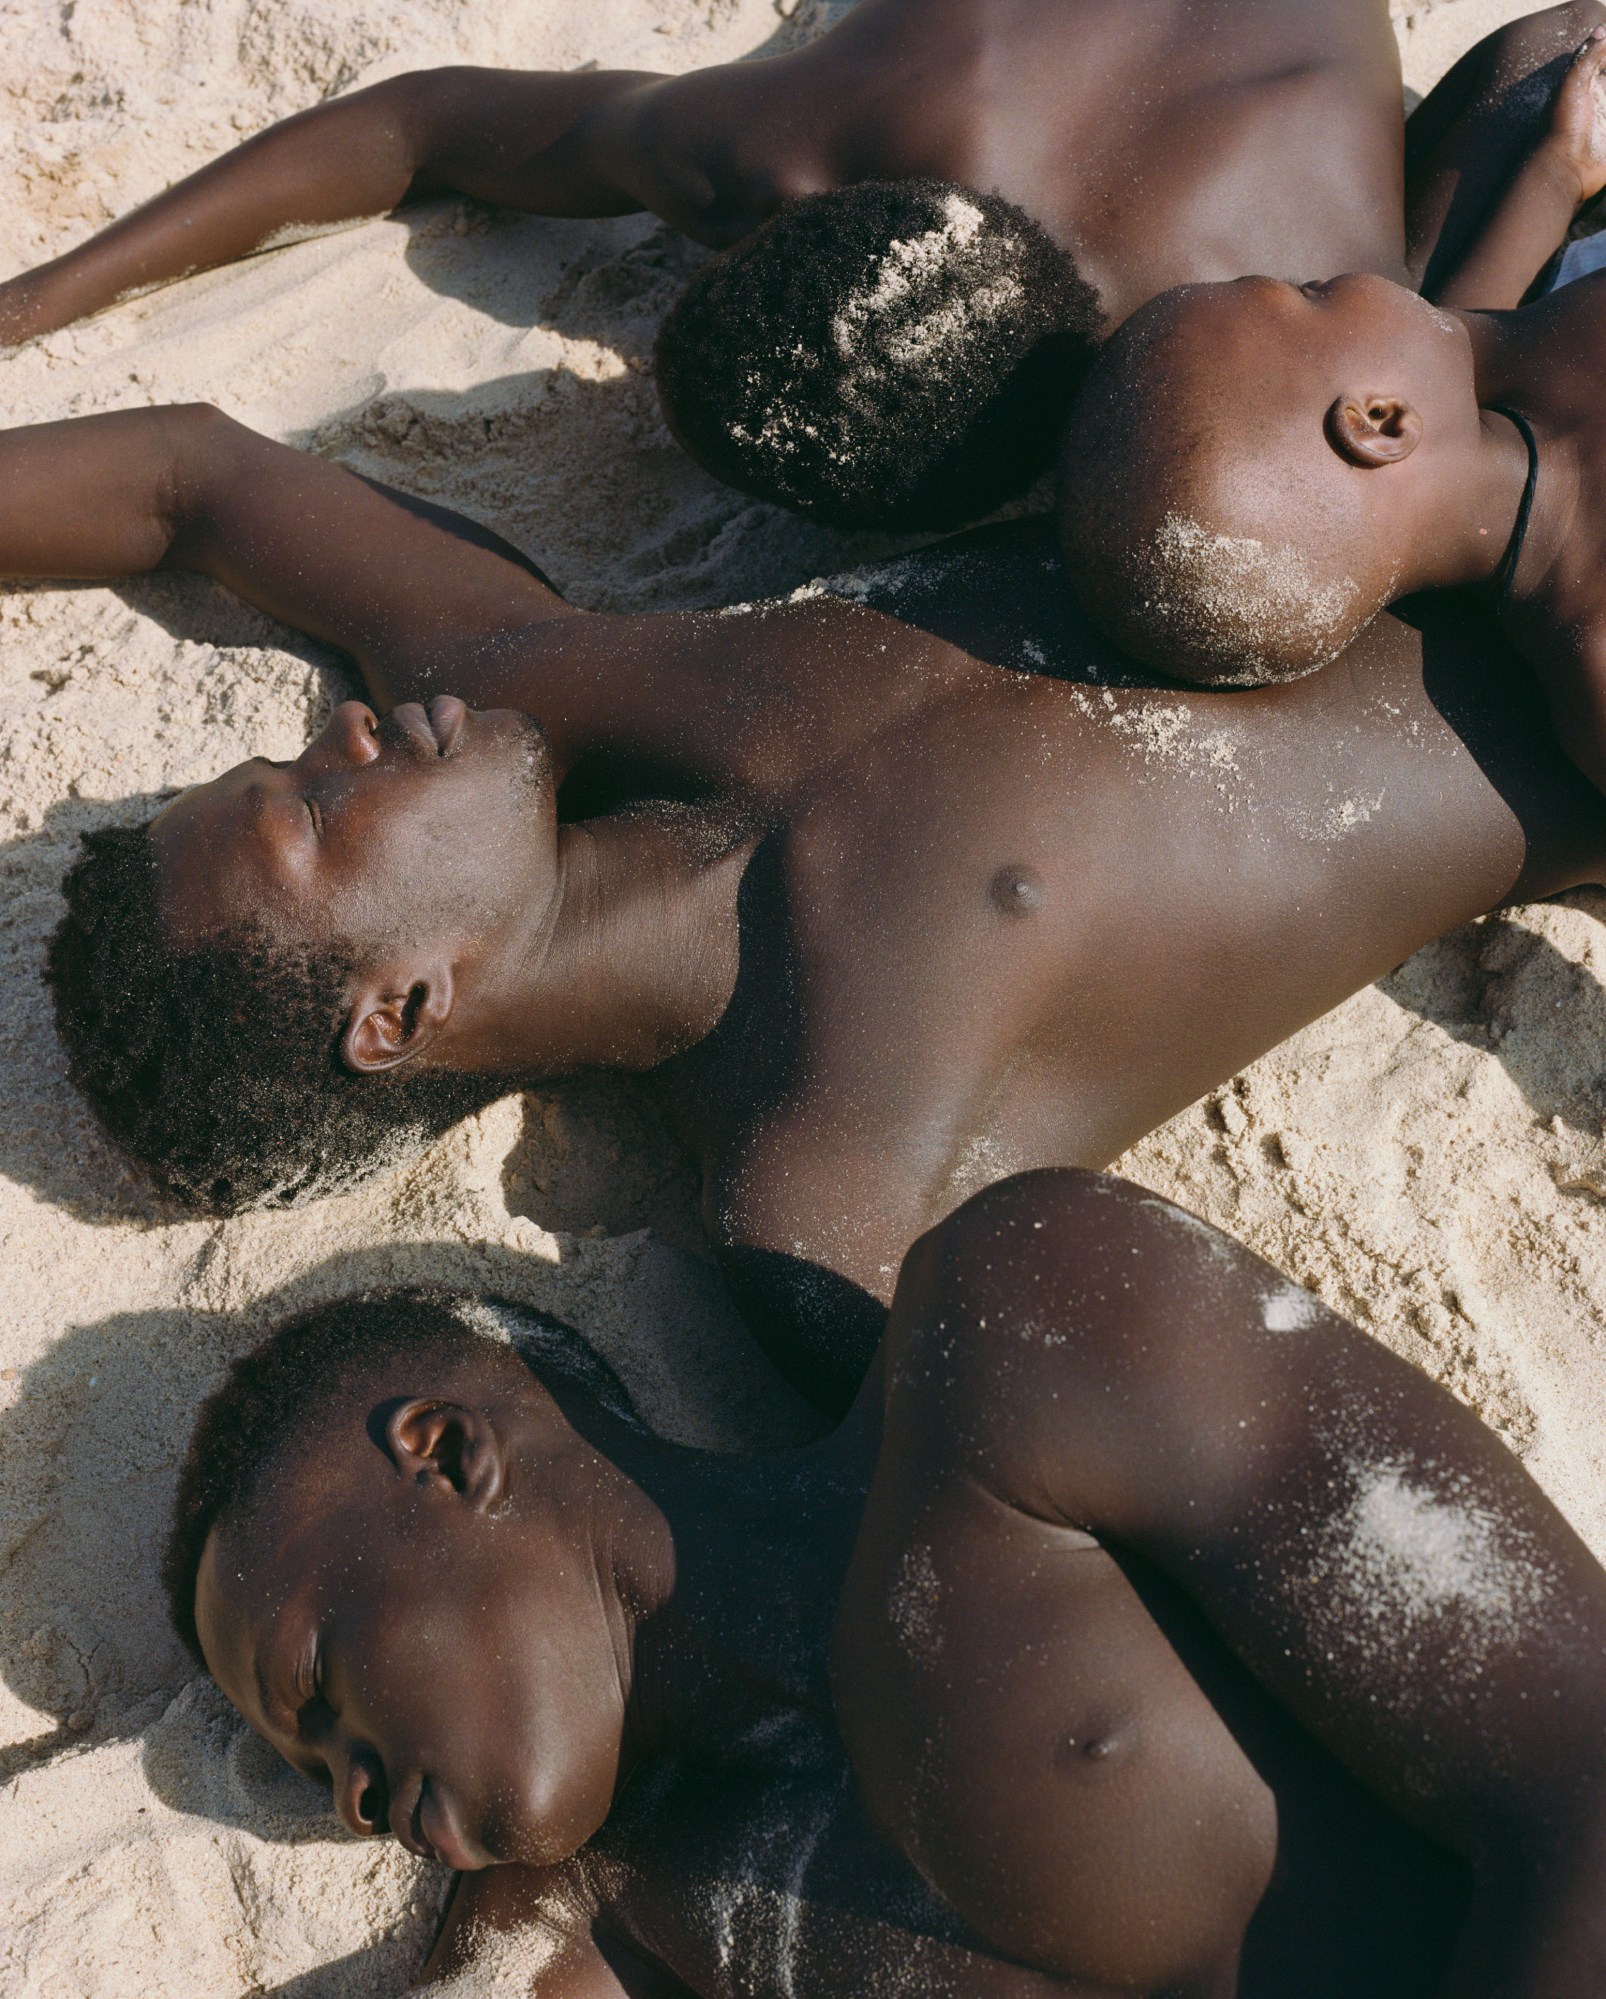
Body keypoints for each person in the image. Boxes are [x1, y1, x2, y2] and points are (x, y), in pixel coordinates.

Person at [27, 397, 1606, 1416]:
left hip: (1503, 460)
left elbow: (191, 476)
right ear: (403, 1008)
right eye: (312, 807)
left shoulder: (521, 680)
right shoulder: (817, 1180)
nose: (344, 731)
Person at [174, 1169, 1606, 1997]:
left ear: (447, 1455)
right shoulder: (608, 1918)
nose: (348, 1798)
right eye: (314, 1774)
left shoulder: (1016, 1339)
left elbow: (1584, 1778)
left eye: (314, 1680)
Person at [0, 1, 1594, 529]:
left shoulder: (1237, 339)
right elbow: (410, 120)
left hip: (1343, 119)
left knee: (1543, 71)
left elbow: (1450, 364)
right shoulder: (801, 132)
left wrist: (1552, 172)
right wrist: (34, 297)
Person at [1055, 21, 1606, 787]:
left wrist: (1557, 170)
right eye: (1309, 294)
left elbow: (1460, 315)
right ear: (1377, 424)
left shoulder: (1481, 395)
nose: (1331, 276)